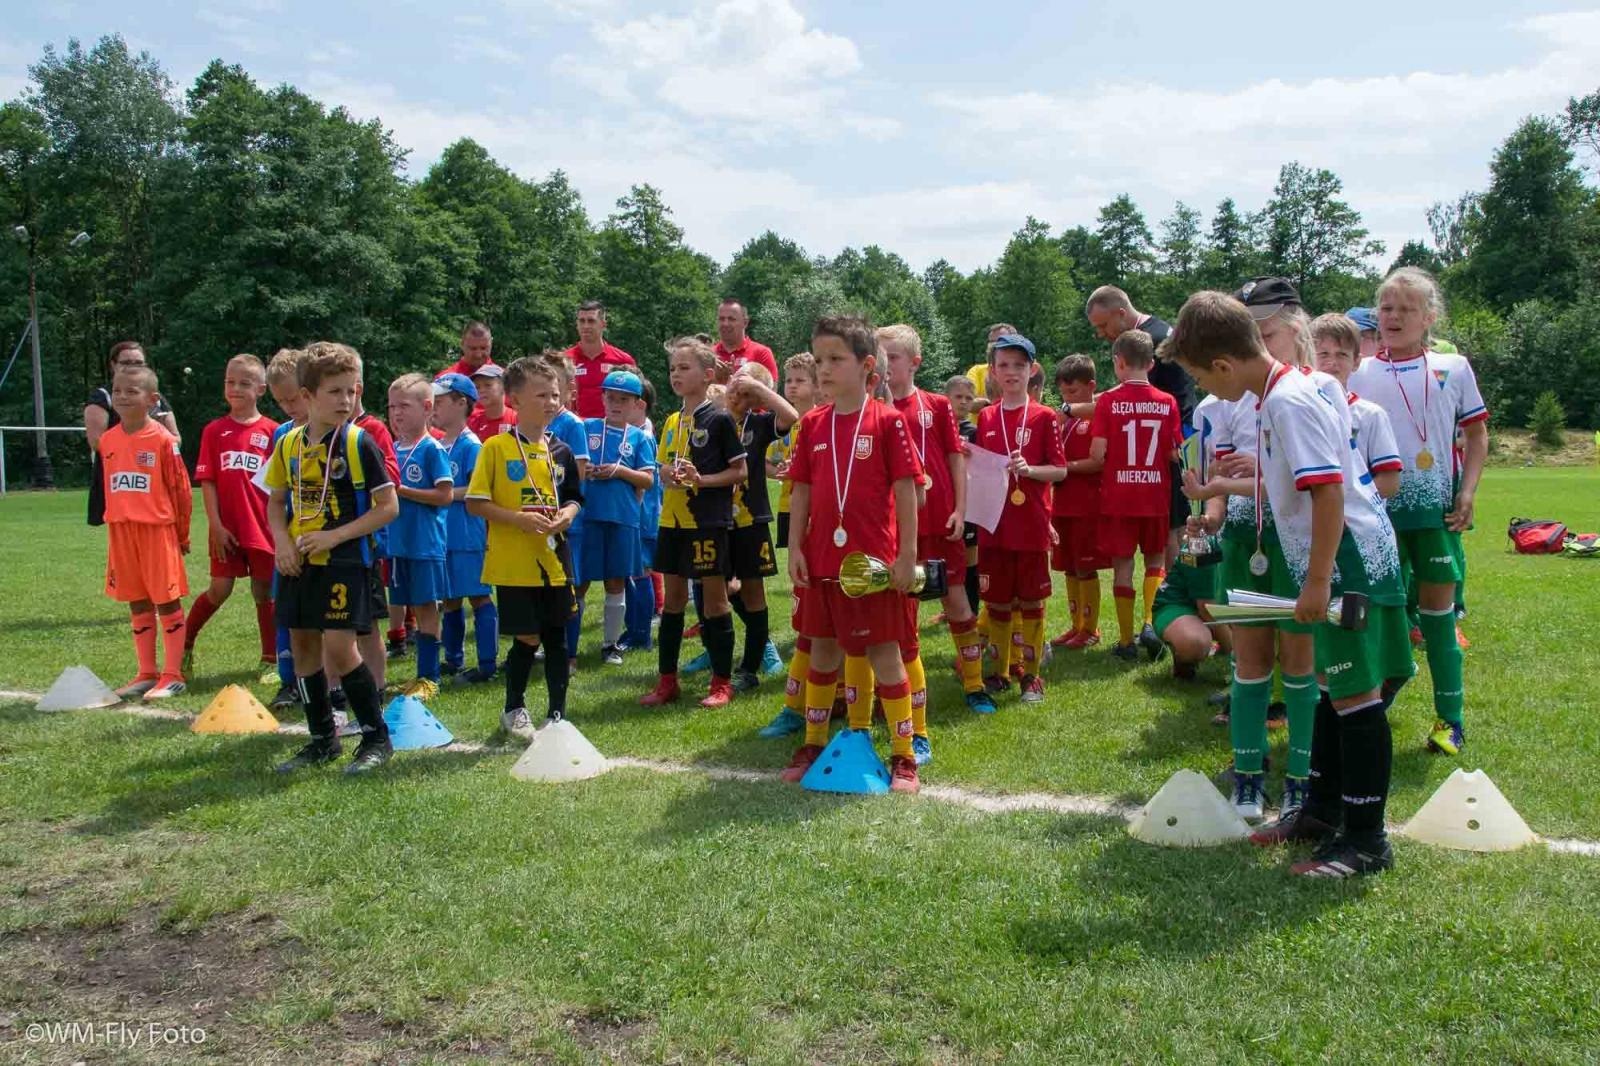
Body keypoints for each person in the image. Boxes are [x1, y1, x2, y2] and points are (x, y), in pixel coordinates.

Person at [1167, 290, 1412, 878]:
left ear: (1224, 365)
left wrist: (1318, 581)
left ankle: (1366, 840)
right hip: (1332, 557)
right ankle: (1322, 814)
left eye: (1201, 373)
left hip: (1346, 558)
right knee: (1331, 687)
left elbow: (1328, 492)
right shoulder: (1287, 391)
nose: (1204, 386)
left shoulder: (1288, 403)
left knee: (1356, 697)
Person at [780, 314, 923, 793]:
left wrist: (907, 556)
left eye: (835, 359)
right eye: (819, 359)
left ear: (866, 366)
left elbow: (906, 492)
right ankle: (814, 743)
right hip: (822, 559)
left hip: (874, 565)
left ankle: (904, 756)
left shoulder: (888, 421)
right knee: (822, 651)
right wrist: (795, 546)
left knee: (885, 653)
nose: (824, 368)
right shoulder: (813, 424)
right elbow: (800, 491)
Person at [1348, 267, 1487, 756]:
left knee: (1438, 618)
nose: (1393, 317)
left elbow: (1476, 435)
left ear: (1429, 317)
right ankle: (1370, 703)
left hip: (1434, 516)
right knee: (1377, 618)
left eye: (1406, 309)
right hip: (1376, 520)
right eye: (1386, 308)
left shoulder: (1455, 367)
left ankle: (1451, 720)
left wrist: (1467, 491)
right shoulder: (1359, 372)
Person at [264, 343, 399, 775]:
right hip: (298, 562)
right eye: (334, 392)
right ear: (307, 396)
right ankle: (322, 739)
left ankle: (376, 737)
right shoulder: (288, 444)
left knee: (340, 647)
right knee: (303, 645)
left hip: (344, 560)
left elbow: (388, 507)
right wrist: (283, 544)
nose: (345, 401)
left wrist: (334, 536)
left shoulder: (359, 443)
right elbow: (275, 503)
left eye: (350, 391)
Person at [465, 356, 584, 740]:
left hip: (555, 559)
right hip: (514, 563)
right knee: (528, 637)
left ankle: (557, 715)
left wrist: (568, 514)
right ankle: (513, 709)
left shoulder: (561, 450)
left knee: (557, 637)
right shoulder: (496, 447)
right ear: (514, 398)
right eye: (541, 395)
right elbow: (475, 502)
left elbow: (574, 497)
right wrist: (519, 519)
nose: (551, 402)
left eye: (555, 394)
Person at [884, 323, 992, 730]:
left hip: (941, 521)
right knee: (900, 611)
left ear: (914, 362)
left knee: (957, 603)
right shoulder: (872, 408)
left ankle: (974, 683)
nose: (885, 364)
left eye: (892, 357)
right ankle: (900, 692)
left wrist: (960, 510)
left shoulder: (937, 406)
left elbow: (955, 461)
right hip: (896, 529)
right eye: (881, 357)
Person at [639, 336, 747, 709]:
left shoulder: (719, 420)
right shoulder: (671, 421)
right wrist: (668, 473)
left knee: (714, 603)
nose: (676, 374)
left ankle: (722, 682)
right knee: (673, 601)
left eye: (684, 368)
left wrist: (702, 480)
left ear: (707, 374)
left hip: (707, 522)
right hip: (671, 521)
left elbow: (740, 471)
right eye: (672, 368)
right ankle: (667, 681)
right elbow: (664, 466)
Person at [974, 333, 1067, 704]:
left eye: (1019, 365)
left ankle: (1032, 675)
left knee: (1031, 600)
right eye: (1004, 366)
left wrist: (1029, 471)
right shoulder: (985, 416)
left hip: (1029, 522)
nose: (1011, 372)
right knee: (996, 601)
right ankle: (999, 672)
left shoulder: (1044, 417)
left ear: (1032, 371)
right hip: (993, 524)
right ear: (993, 373)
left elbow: (1059, 471)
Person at [1083, 329, 1182, 664]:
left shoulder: (1108, 402)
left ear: (1118, 362)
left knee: (1122, 567)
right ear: (1152, 364)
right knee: (1155, 562)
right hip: (1155, 495)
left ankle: (1126, 641)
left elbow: (1098, 454)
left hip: (1119, 497)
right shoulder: (1167, 402)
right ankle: (1149, 624)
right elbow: (1173, 453)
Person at [182, 354, 279, 678]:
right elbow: (207, 482)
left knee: (263, 590)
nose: (235, 388)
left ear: (262, 389)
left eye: (244, 383)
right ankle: (184, 644)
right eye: (230, 382)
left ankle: (270, 658)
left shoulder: (274, 432)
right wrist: (215, 525)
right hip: (226, 528)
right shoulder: (214, 431)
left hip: (262, 528)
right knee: (219, 589)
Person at [100, 365, 192, 701]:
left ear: (152, 400)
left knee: (166, 599)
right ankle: (146, 671)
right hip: (122, 532)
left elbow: (181, 490)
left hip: (157, 531)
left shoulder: (164, 441)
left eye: (132, 391)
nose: (123, 396)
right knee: (136, 599)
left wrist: (182, 534)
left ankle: (172, 673)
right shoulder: (107, 441)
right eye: (118, 390)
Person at [1085, 286, 1196, 558]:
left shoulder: (1151, 342)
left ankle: (1172, 591)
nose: (1101, 333)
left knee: (1171, 530)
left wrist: (1071, 409)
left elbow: (1131, 401)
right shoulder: (1158, 331)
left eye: (1103, 325)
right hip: (1177, 437)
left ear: (1121, 313)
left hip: (1169, 445)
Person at [723, 363, 798, 690]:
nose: (737, 397)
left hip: (751, 519)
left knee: (753, 592)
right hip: (714, 518)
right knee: (719, 589)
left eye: (745, 392)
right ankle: (722, 664)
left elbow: (791, 417)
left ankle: (749, 669)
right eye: (734, 388)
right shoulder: (714, 420)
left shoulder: (760, 423)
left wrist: (759, 388)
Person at [762, 352, 824, 738]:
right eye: (789, 382)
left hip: (828, 522)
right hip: (795, 511)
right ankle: (796, 704)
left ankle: (820, 700)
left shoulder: (821, 420)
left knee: (821, 617)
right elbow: (768, 460)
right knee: (805, 610)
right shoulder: (787, 424)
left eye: (800, 381)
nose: (793, 387)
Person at [577, 371, 657, 665]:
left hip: (623, 518)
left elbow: (647, 480)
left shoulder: (639, 438)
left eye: (623, 399)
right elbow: (571, 466)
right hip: (588, 516)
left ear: (637, 404)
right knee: (579, 581)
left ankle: (610, 644)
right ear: (602, 398)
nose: (616, 404)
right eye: (611, 397)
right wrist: (587, 471)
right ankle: (567, 642)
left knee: (616, 581)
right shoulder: (587, 428)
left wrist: (619, 471)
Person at [385, 373, 454, 698]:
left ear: (427, 408)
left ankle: (429, 677)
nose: (396, 413)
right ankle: (417, 677)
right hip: (397, 543)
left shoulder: (432, 449)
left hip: (425, 543)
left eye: (404, 406)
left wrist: (404, 492)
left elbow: (445, 495)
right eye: (391, 406)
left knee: (427, 608)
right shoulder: (393, 448)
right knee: (404, 603)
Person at [430, 373, 499, 685]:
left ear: (462, 403)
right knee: (451, 598)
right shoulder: (440, 444)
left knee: (478, 596)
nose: (434, 407)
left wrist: (441, 495)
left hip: (467, 535)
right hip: (443, 535)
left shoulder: (472, 445)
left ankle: (487, 663)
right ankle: (453, 659)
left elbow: (479, 489)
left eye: (441, 402)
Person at [261, 349, 310, 710]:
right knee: (286, 612)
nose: (289, 406)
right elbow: (273, 498)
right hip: (290, 541)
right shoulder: (281, 435)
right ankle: (288, 682)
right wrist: (281, 541)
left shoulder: (338, 431)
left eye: (293, 398)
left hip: (325, 540)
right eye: (280, 401)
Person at [85, 341, 180, 527]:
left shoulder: (154, 396)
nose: (133, 367)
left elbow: (175, 439)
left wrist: (153, 442)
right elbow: (97, 442)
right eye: (127, 363)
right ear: (113, 365)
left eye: (139, 363)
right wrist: (132, 446)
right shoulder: (103, 396)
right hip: (117, 476)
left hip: (152, 476)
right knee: (121, 531)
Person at [1311, 314, 1403, 500]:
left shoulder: (1371, 415)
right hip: (1305, 523)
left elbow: (1389, 482)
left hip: (1356, 525)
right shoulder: (1296, 411)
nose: (1332, 363)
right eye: (1323, 354)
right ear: (1308, 358)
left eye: (1342, 354)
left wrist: (1341, 503)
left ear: (1356, 362)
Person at [1049, 355, 1107, 649]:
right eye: (1063, 393)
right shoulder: (1065, 421)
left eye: (1073, 392)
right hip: (1062, 502)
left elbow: (1098, 463)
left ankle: (1091, 628)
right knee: (1069, 565)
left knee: (1085, 566)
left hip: (1087, 503)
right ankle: (1076, 626)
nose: (1067, 400)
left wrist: (1064, 467)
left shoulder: (1098, 416)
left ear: (1091, 386)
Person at [564, 300, 638, 419]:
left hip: (611, 428)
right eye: (582, 321)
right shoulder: (564, 360)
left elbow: (635, 398)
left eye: (591, 321)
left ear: (603, 324)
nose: (586, 326)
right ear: (576, 324)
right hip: (574, 429)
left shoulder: (623, 360)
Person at [713, 298, 779, 382]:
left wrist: (735, 379)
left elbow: (772, 391)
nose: (725, 324)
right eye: (721, 319)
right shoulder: (708, 355)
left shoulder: (761, 353)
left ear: (745, 323)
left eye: (731, 319)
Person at [963, 323, 1015, 418]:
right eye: (991, 341)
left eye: (999, 340)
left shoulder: (1020, 372)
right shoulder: (976, 371)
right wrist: (995, 403)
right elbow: (966, 403)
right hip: (980, 430)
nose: (993, 345)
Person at [467, 364, 518, 442]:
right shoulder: (473, 423)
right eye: (477, 387)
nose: (481, 390)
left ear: (504, 387)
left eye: (488, 385)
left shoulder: (516, 420)